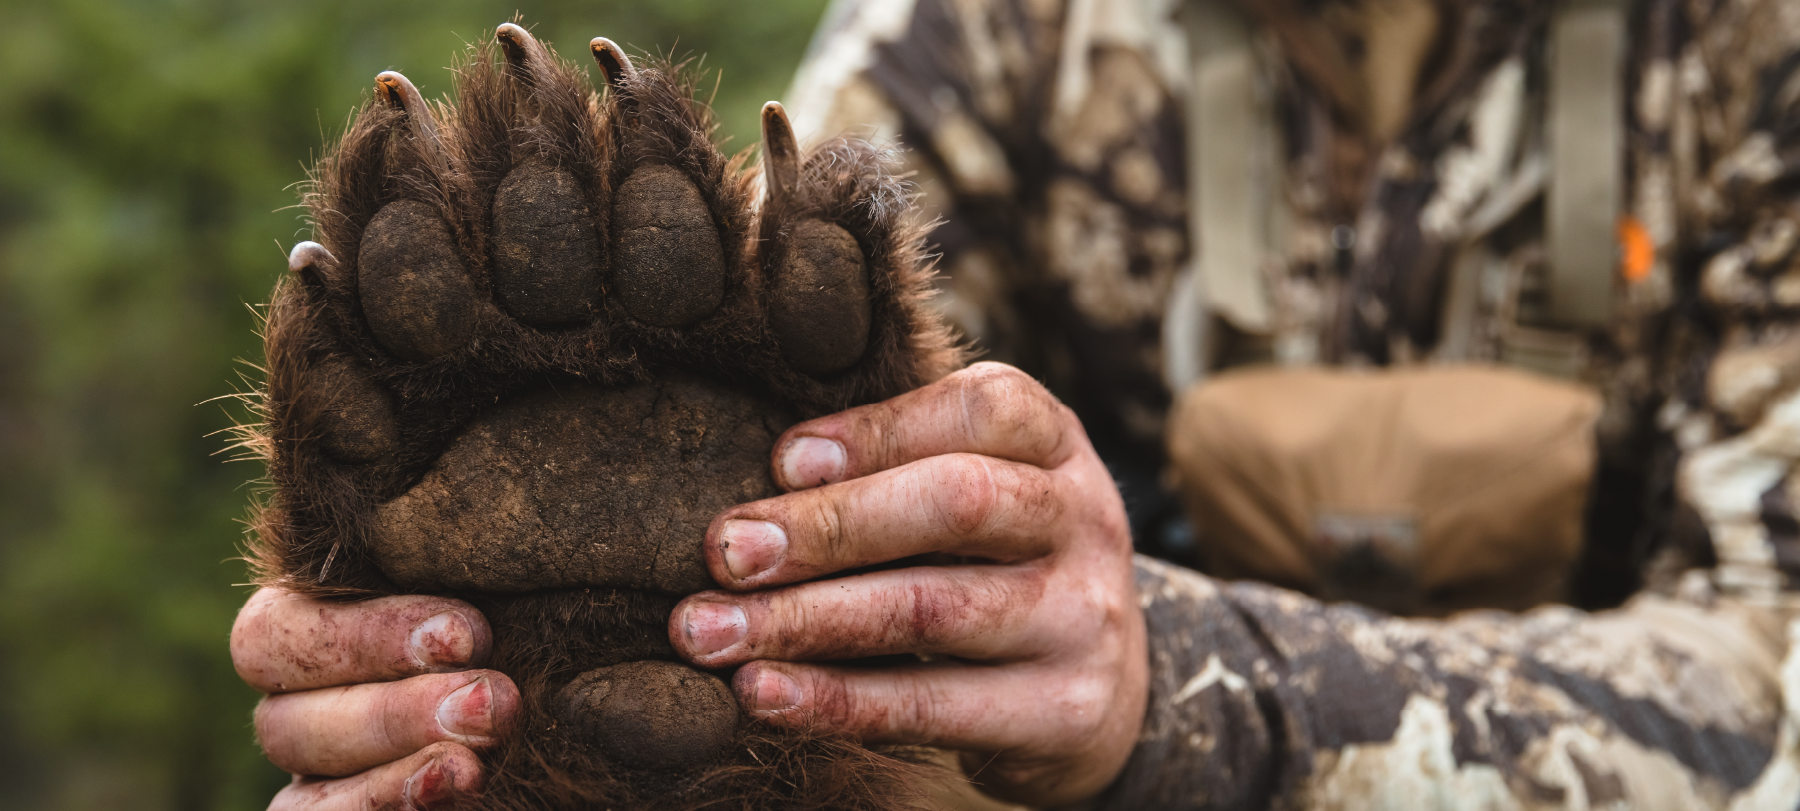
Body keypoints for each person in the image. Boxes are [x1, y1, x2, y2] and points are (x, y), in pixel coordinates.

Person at [233, 0, 1800, 807]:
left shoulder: (1744, 52)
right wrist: (426, 673)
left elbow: (1776, 670)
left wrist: (1178, 684)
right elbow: (793, 410)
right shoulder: (993, 40)